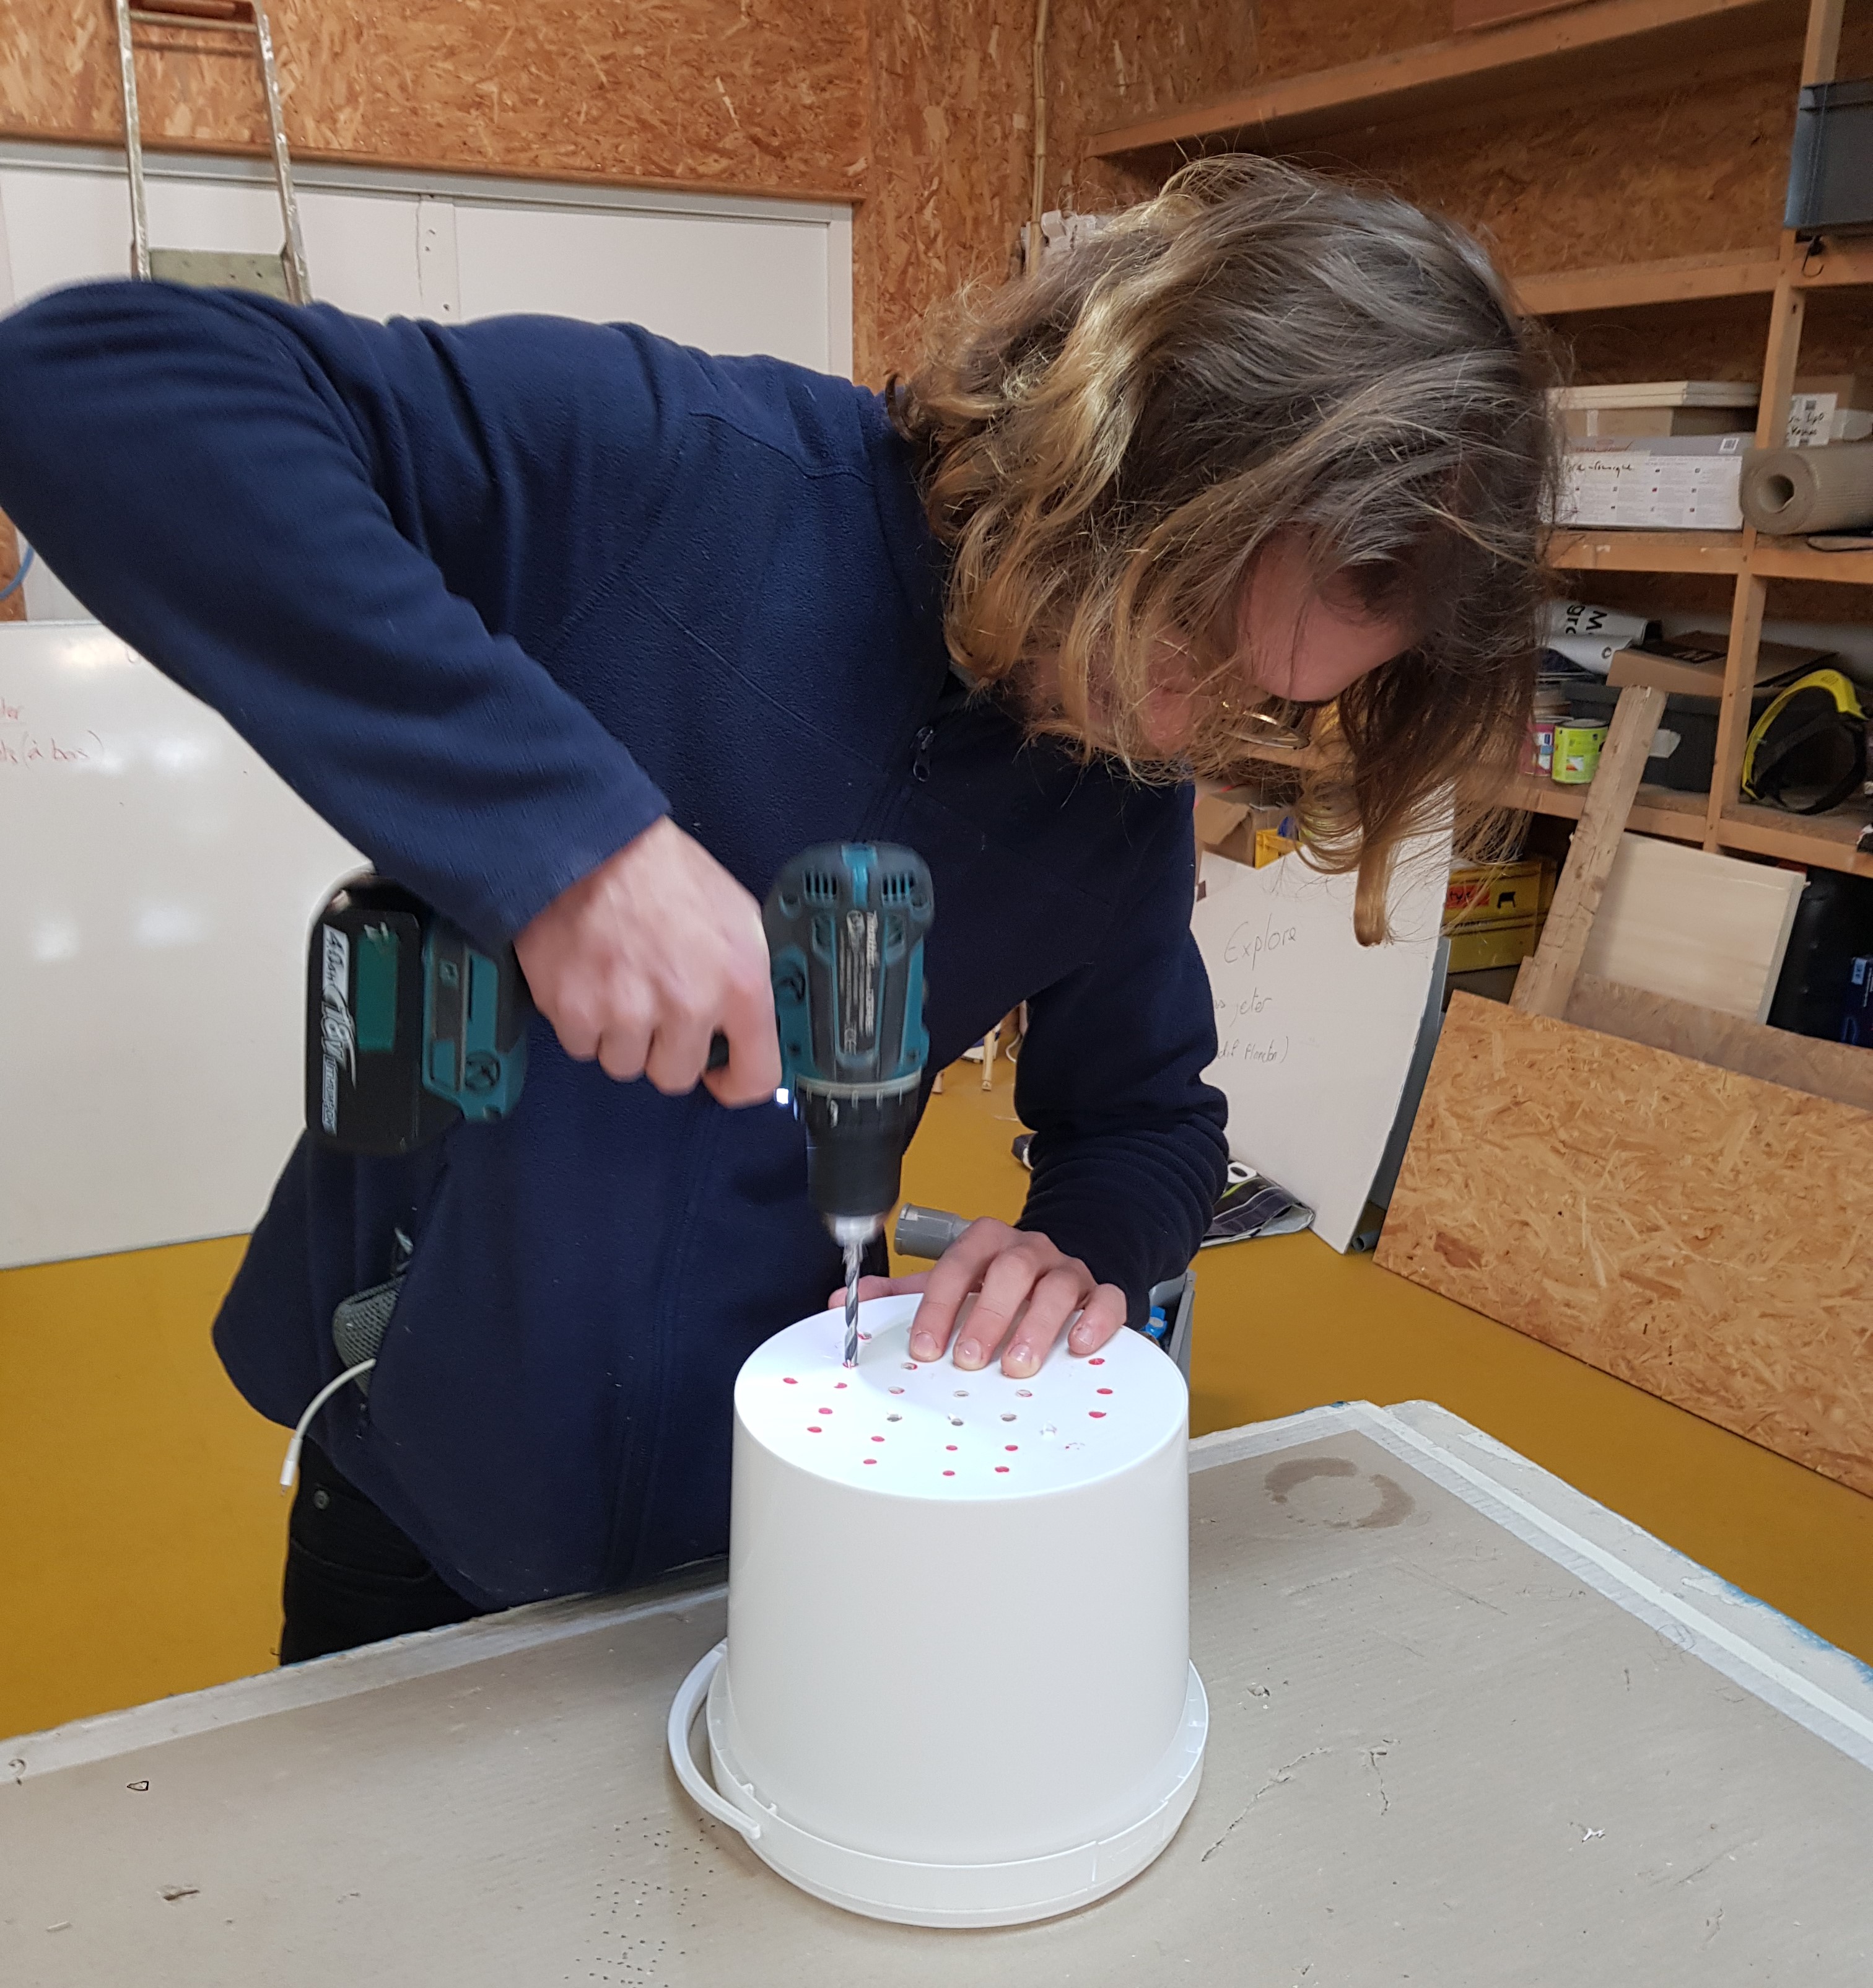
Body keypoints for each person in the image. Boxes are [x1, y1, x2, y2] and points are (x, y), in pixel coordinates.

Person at [0, 157, 1554, 1660]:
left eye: (1258, 708)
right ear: (1117, 441)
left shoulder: (1116, 787)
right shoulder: (672, 466)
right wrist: (571, 845)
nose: (1171, 737)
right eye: (1190, 640)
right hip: (410, 1457)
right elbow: (90, 381)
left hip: (772, 1500)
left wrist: (1084, 1245)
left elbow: (1150, 1120)